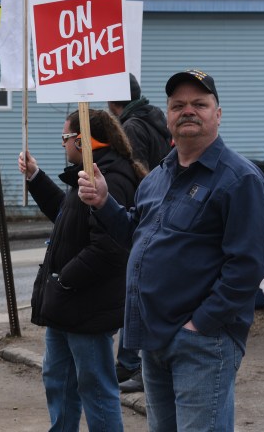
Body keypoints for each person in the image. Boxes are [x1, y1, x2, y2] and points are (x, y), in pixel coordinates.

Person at [78, 69, 264, 431]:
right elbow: (136, 233)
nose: (188, 111)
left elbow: (248, 265)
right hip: (154, 338)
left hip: (202, 342)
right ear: (167, 115)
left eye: (200, 104)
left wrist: (200, 324)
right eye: (178, 105)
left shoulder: (239, 179)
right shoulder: (157, 176)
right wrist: (104, 202)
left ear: (218, 113)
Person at [20, 108, 145, 432]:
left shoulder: (110, 178)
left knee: (96, 389)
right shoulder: (88, 173)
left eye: (65, 138)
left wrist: (63, 281)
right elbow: (66, 214)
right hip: (68, 305)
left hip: (87, 306)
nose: (62, 145)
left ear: (81, 139)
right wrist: (35, 177)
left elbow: (109, 249)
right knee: (58, 382)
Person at [107, 73, 172, 392]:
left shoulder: (130, 126)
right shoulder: (155, 118)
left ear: (112, 101)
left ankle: (130, 363)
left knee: (134, 289)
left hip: (144, 213)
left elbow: (138, 171)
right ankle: (133, 362)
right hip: (160, 210)